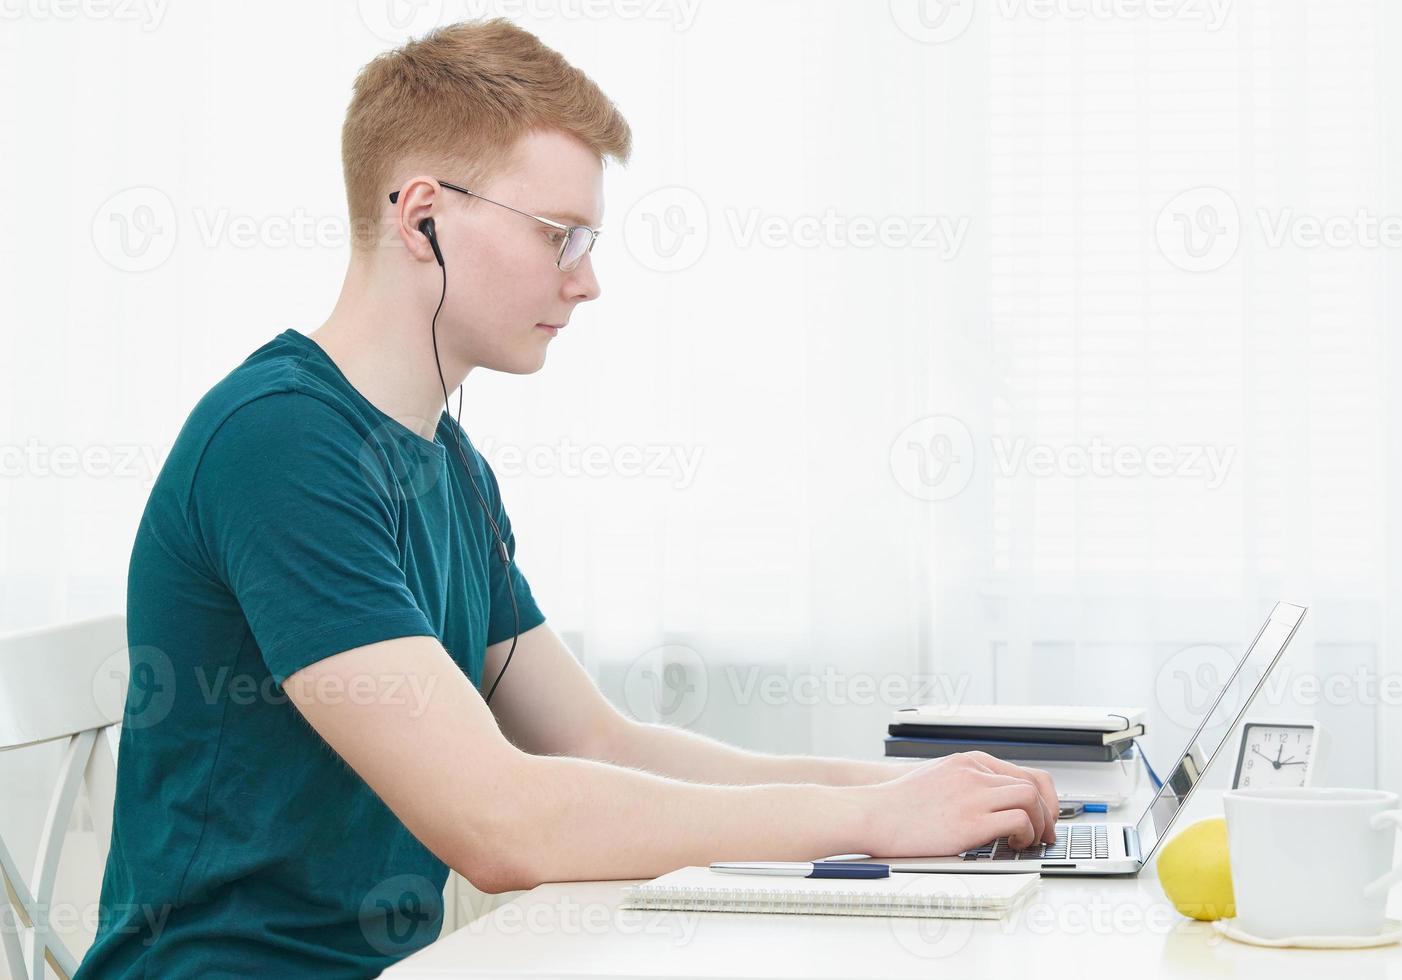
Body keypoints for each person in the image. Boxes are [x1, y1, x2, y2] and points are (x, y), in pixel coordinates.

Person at [76, 19, 1057, 978]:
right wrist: (873, 820)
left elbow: (596, 740)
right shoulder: (280, 444)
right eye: (562, 236)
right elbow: (499, 820)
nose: (585, 281)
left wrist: (903, 788)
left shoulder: (445, 464)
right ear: (423, 216)